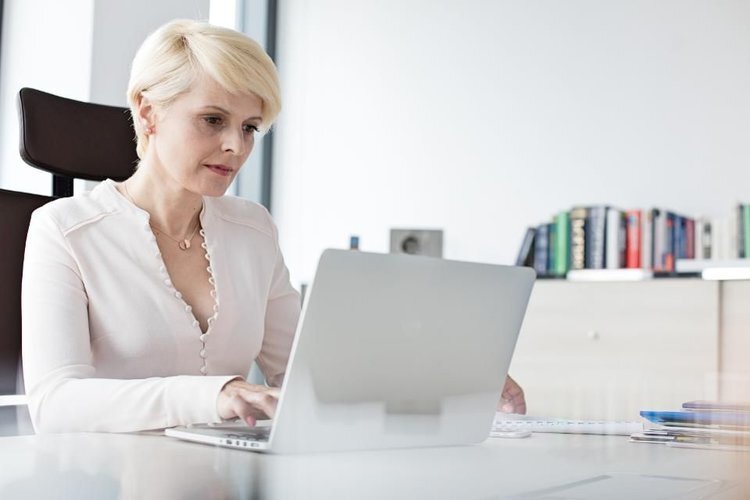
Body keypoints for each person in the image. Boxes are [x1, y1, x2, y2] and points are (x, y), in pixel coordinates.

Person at [21, 19, 525, 434]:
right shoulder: (64, 230)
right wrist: (217, 394)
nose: (237, 147)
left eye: (249, 127)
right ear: (148, 113)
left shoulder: (252, 230)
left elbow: (308, 375)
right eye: (213, 120)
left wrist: (448, 381)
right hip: (111, 481)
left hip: (230, 475)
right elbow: (55, 402)